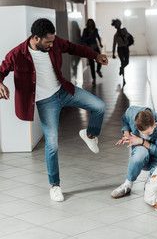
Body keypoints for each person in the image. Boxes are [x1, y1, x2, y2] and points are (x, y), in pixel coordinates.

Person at [0, 18, 108, 202]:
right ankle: (55, 185)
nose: (52, 44)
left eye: (53, 40)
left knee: (99, 106)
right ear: (35, 38)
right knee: (52, 144)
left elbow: (74, 47)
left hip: (63, 91)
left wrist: (94, 55)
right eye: (48, 42)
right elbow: (2, 69)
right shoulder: (17, 54)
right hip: (45, 102)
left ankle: (89, 135)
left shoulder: (55, 42)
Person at [111, 106, 157, 199]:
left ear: (155, 124)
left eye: (148, 133)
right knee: (139, 154)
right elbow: (124, 118)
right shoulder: (132, 112)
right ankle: (128, 184)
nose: (145, 135)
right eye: (142, 133)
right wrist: (126, 133)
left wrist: (142, 141)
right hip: (142, 151)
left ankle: (151, 181)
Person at [81, 19, 103, 86]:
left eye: (91, 23)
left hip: (96, 47)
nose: (90, 24)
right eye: (89, 23)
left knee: (100, 60)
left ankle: (98, 70)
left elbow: (98, 37)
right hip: (89, 49)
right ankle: (94, 79)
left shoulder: (95, 30)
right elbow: (83, 39)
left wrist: (100, 43)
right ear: (87, 23)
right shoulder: (85, 30)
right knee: (92, 65)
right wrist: (88, 37)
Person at [111, 18, 130, 86]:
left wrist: (123, 35)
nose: (118, 25)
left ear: (120, 24)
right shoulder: (115, 35)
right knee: (122, 62)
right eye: (116, 24)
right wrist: (113, 53)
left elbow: (128, 36)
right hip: (120, 49)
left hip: (126, 48)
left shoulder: (124, 30)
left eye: (118, 23)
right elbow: (114, 44)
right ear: (115, 26)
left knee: (127, 62)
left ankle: (121, 68)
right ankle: (123, 79)